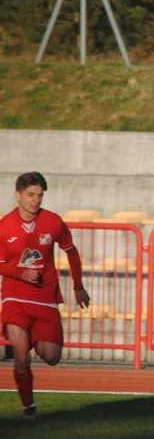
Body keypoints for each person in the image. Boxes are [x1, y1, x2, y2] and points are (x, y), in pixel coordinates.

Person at [0, 172, 90, 420]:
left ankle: (31, 338)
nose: (35, 200)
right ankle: (28, 405)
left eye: (40, 195)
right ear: (17, 195)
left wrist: (78, 286)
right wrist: (20, 273)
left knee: (51, 357)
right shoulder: (4, 226)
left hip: (45, 297)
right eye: (30, 195)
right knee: (20, 354)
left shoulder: (53, 222)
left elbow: (71, 251)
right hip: (15, 296)